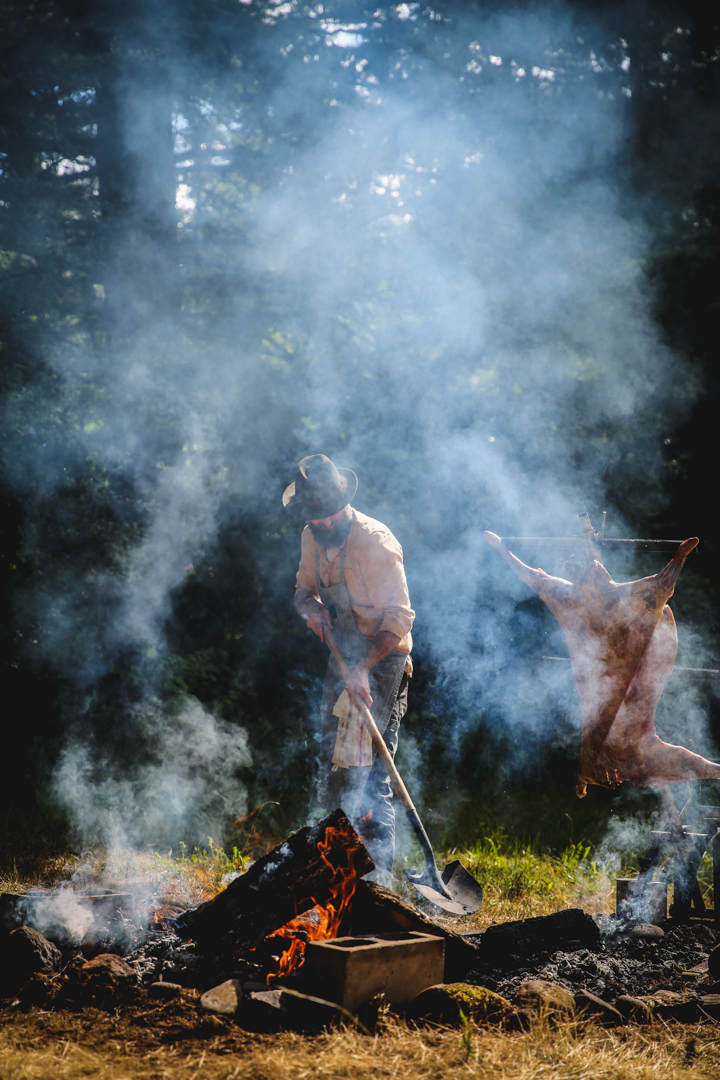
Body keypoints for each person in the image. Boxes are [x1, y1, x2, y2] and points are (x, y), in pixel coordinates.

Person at [283, 454, 415, 875]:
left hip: (383, 658)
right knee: (332, 765)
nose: (321, 524)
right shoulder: (311, 537)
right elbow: (303, 591)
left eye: (327, 515)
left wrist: (363, 669)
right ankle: (335, 876)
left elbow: (399, 619)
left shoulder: (375, 542)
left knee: (371, 772)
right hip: (342, 659)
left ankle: (378, 882)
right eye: (313, 517)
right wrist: (311, 610)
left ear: (343, 502)